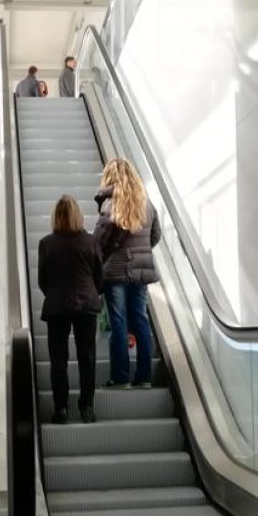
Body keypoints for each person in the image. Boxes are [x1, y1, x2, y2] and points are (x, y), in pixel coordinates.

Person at [94, 158, 161, 389]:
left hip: (116, 273)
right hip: (141, 273)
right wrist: (141, 251)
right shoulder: (147, 204)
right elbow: (156, 235)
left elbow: (99, 242)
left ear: (110, 178)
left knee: (119, 322)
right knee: (140, 320)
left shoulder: (110, 204)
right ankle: (144, 377)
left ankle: (120, 378)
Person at [38, 195, 103, 423]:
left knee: (58, 360)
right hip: (86, 305)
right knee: (87, 357)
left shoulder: (46, 244)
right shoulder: (91, 242)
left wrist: (56, 294)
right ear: (78, 215)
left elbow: (42, 281)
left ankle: (61, 409)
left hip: (57, 307)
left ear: (56, 217)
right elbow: (99, 276)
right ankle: (87, 408)